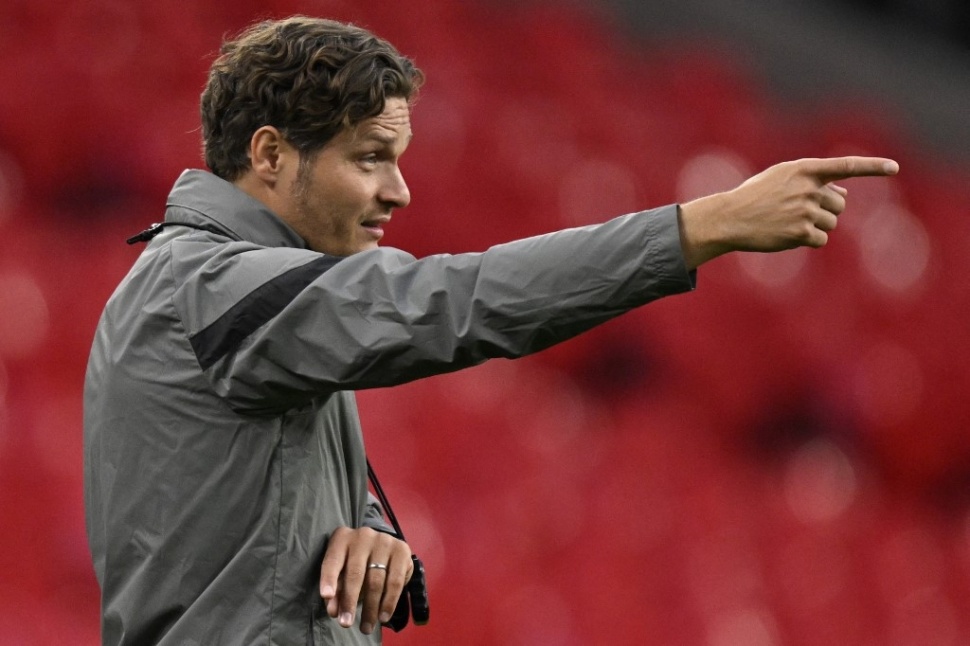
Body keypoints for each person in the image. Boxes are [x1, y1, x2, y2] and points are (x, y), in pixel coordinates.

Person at [82, 14, 899, 646]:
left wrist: (371, 530)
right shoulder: (213, 286)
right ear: (268, 154)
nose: (398, 191)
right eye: (369, 156)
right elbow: (451, 301)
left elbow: (249, 488)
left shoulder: (240, 292)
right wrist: (699, 227)